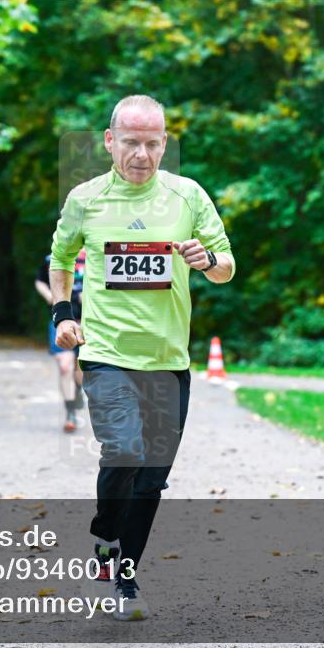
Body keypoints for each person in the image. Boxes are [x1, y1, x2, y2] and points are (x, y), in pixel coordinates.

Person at [49, 95, 235, 621]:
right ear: (110, 142)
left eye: (153, 144)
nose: (142, 154)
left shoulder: (188, 197)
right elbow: (61, 258)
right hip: (107, 352)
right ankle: (106, 537)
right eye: (131, 142)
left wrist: (209, 260)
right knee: (125, 452)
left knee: (152, 476)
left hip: (169, 358)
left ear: (164, 144)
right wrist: (64, 313)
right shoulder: (85, 199)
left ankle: (124, 576)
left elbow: (227, 265)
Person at [35, 250, 87, 433]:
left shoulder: (96, 254)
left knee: (81, 368)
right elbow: (40, 280)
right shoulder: (52, 258)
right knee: (65, 366)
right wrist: (49, 294)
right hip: (61, 321)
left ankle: (78, 390)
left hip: (87, 321)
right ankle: (70, 412)